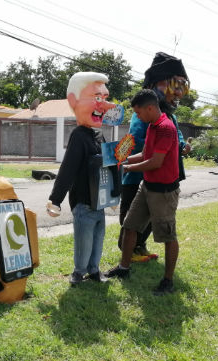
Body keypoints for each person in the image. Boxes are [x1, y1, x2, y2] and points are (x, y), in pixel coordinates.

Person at [105, 89, 181, 296]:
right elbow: (145, 153)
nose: (137, 117)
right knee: (130, 226)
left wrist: (126, 169)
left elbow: (156, 162)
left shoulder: (166, 128)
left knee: (167, 235)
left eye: (138, 113)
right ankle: (124, 268)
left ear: (150, 108)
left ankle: (168, 281)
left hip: (164, 191)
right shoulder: (152, 126)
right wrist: (124, 160)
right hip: (146, 187)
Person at [117, 52, 191, 262]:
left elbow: (176, 137)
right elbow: (139, 141)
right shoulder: (142, 116)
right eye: (173, 85)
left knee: (151, 217)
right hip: (140, 175)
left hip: (163, 178)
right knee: (132, 215)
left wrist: (181, 146)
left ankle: (139, 246)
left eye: (180, 86)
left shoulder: (169, 117)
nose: (177, 93)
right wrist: (130, 163)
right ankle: (128, 251)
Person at [46, 71, 117, 286]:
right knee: (84, 241)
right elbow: (67, 170)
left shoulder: (99, 135)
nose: (103, 105)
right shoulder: (78, 136)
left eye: (104, 99)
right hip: (83, 203)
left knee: (98, 239)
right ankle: (79, 271)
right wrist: (55, 199)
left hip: (99, 203)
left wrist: (114, 195)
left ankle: (94, 270)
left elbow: (109, 165)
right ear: (73, 101)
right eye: (96, 98)